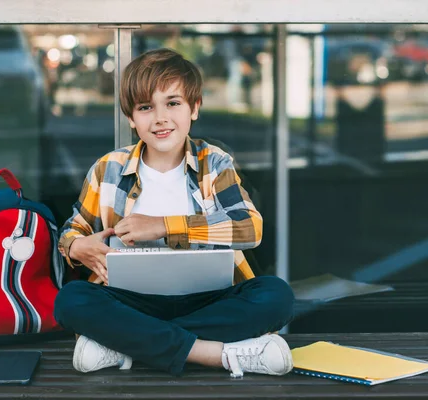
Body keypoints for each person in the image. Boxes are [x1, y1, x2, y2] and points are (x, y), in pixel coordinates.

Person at [54, 48, 295, 378]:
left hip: (207, 300)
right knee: (71, 300)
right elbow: (73, 229)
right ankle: (220, 354)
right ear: (130, 117)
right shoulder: (108, 168)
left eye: (173, 103)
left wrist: (163, 226)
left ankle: (124, 345)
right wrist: (75, 247)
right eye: (145, 107)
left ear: (194, 108)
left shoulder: (215, 162)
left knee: (276, 296)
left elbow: (249, 228)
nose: (160, 118)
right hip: (131, 301)